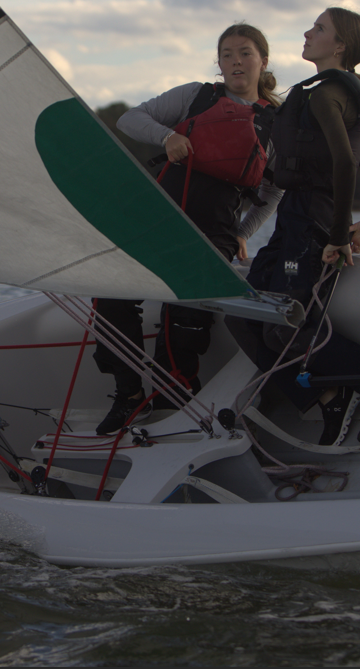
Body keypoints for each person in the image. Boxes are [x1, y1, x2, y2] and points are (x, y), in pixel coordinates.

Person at [230, 7, 360, 445]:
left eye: (318, 28)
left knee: (285, 324)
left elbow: (346, 164)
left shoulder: (325, 96)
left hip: (313, 222)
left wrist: (342, 236)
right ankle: (328, 397)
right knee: (241, 312)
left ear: (339, 45)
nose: (307, 32)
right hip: (294, 219)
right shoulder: (323, 94)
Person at [94, 23, 284, 435]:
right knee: (111, 294)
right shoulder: (196, 96)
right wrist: (166, 138)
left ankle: (171, 399)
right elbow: (130, 119)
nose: (236, 60)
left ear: (263, 61)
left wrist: (244, 231)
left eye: (245, 53)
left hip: (215, 227)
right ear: (218, 63)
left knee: (183, 313)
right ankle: (128, 395)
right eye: (228, 53)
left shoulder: (276, 123)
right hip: (159, 214)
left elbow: (272, 192)